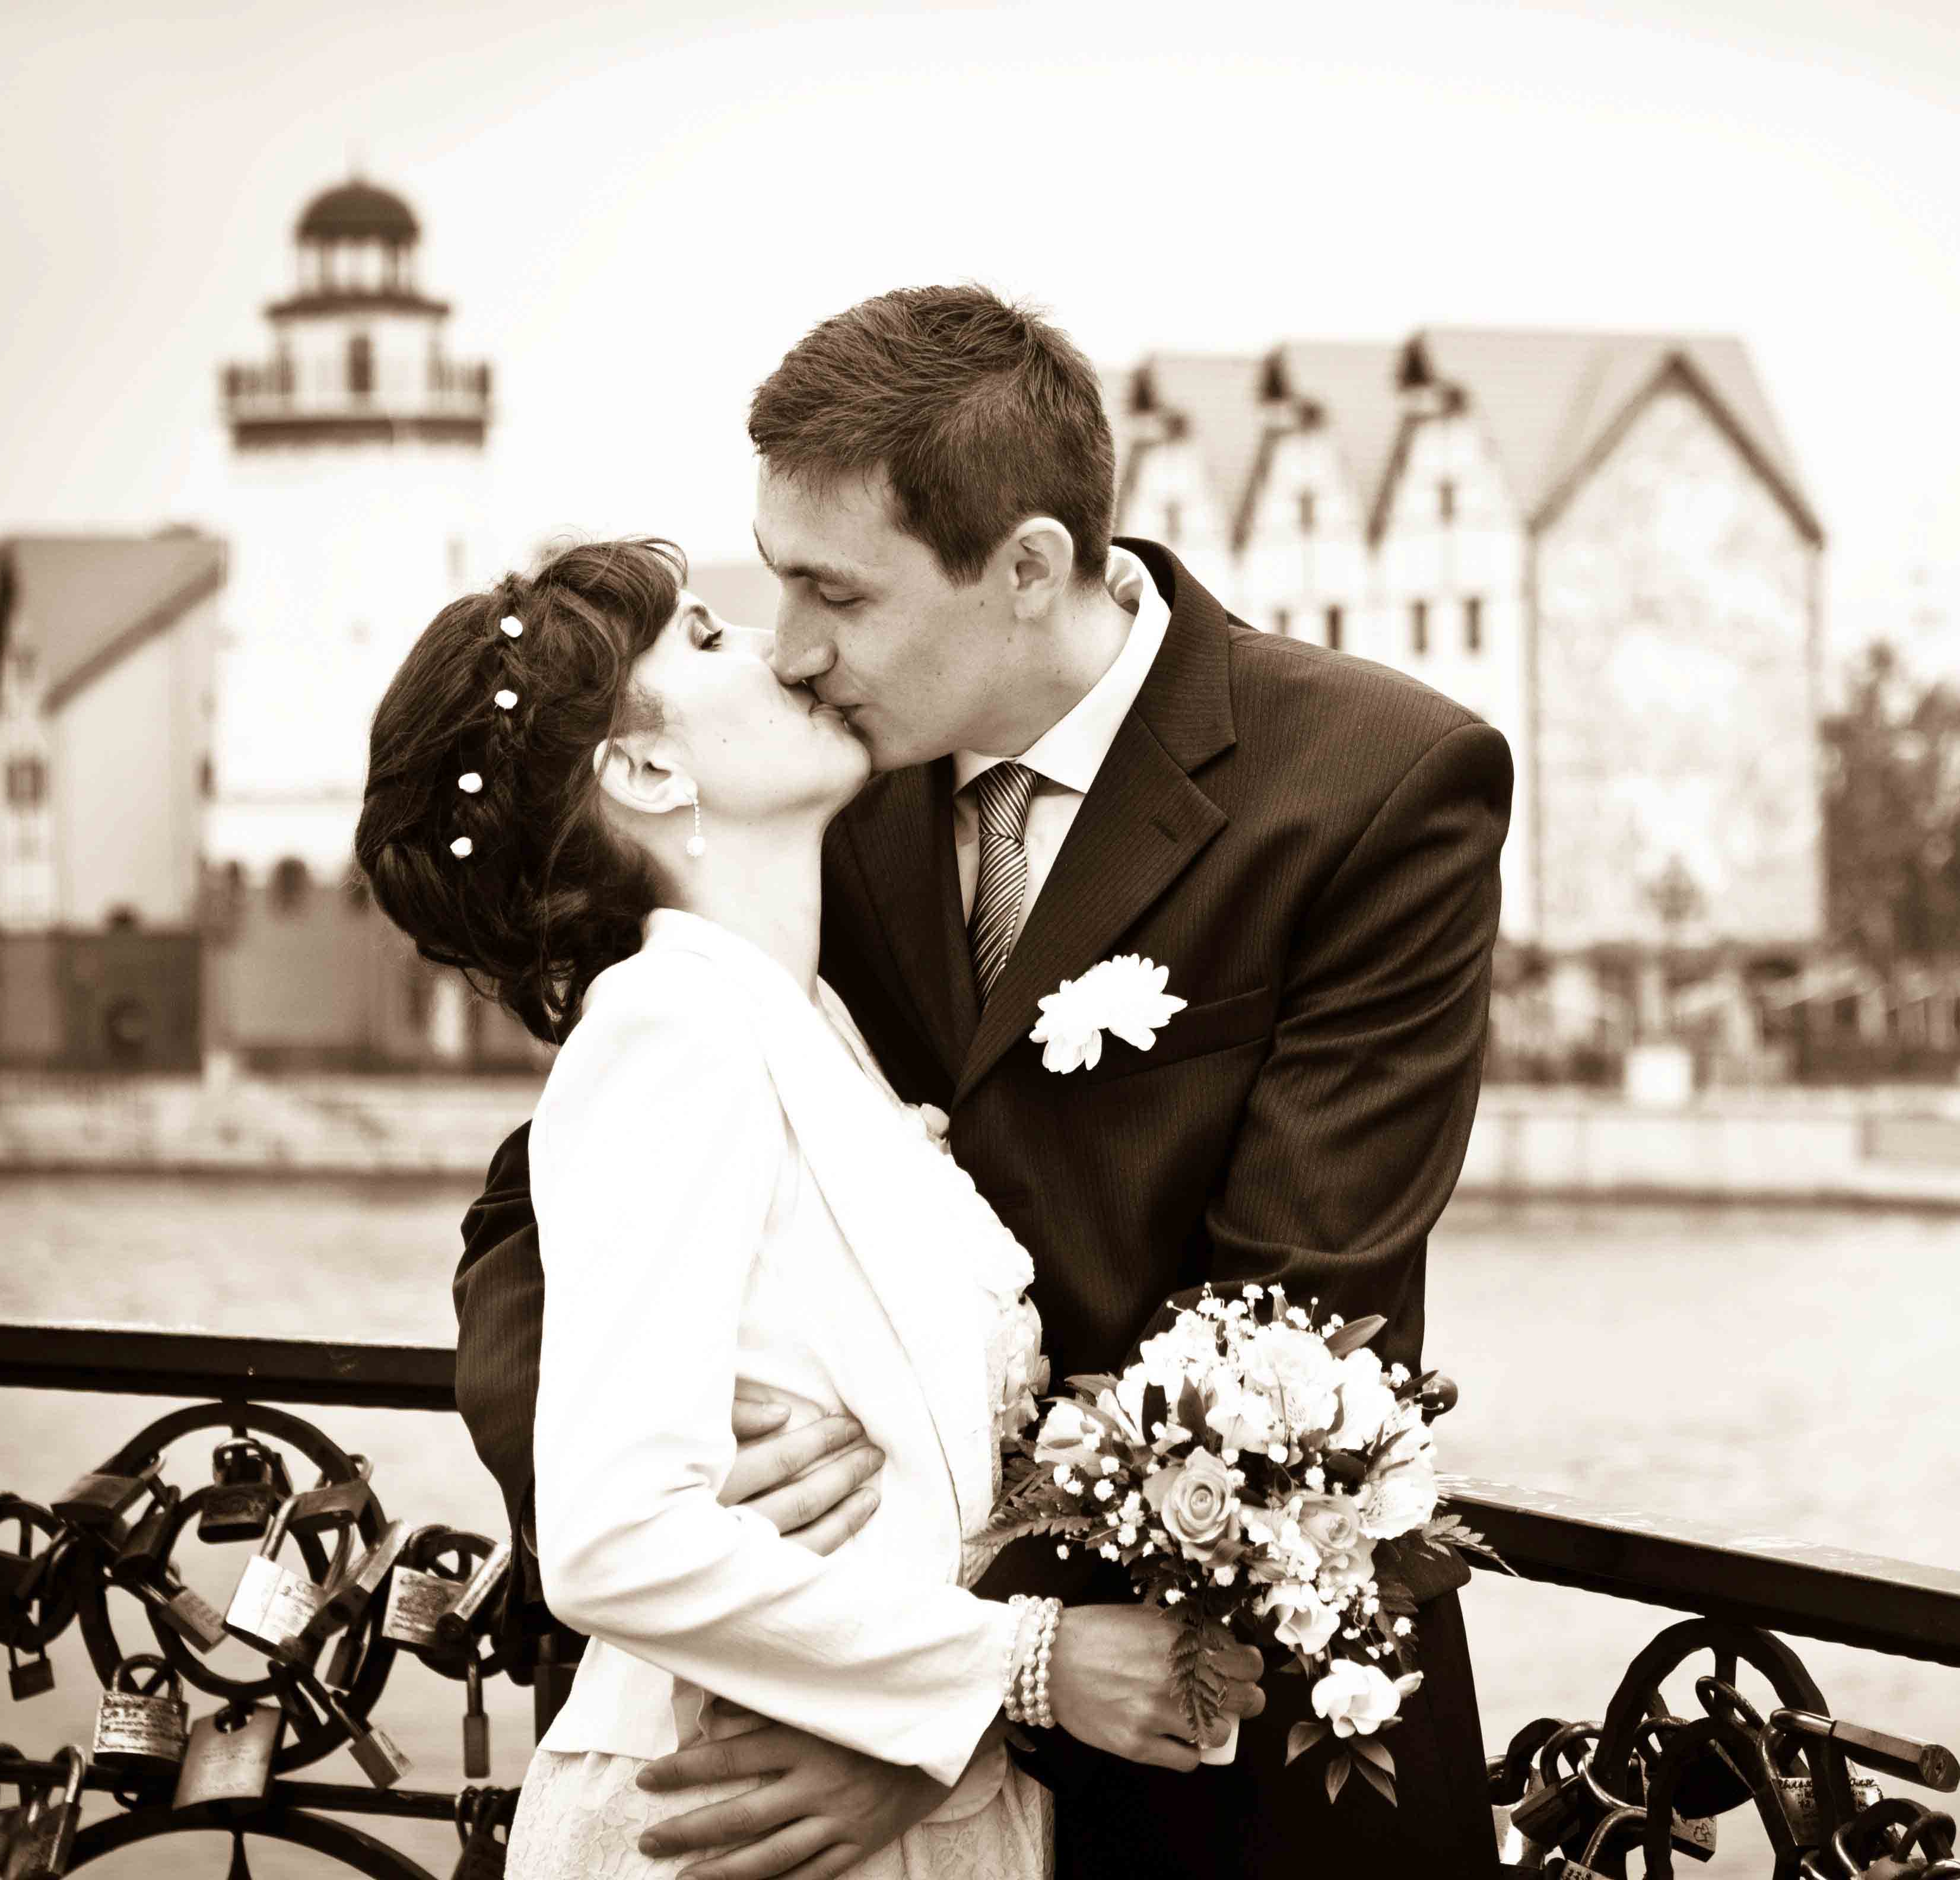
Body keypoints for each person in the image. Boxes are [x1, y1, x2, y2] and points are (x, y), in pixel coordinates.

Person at [455, 286, 1512, 1878]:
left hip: (1218, 1749)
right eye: (774, 583)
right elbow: (533, 1223)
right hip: (845, 1734)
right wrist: (690, 1500)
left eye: (836, 592)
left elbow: (1301, 1312)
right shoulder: (803, 794)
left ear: (1025, 567)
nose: (795, 649)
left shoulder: (1377, 783)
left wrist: (948, 1701)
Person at [357, 539, 1268, 1879]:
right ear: (646, 771)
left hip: (914, 1797)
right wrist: (1024, 1661)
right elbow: (612, 1540)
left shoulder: (807, 1023)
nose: (782, 649)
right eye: (709, 638)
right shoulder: (674, 1030)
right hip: (732, 1806)